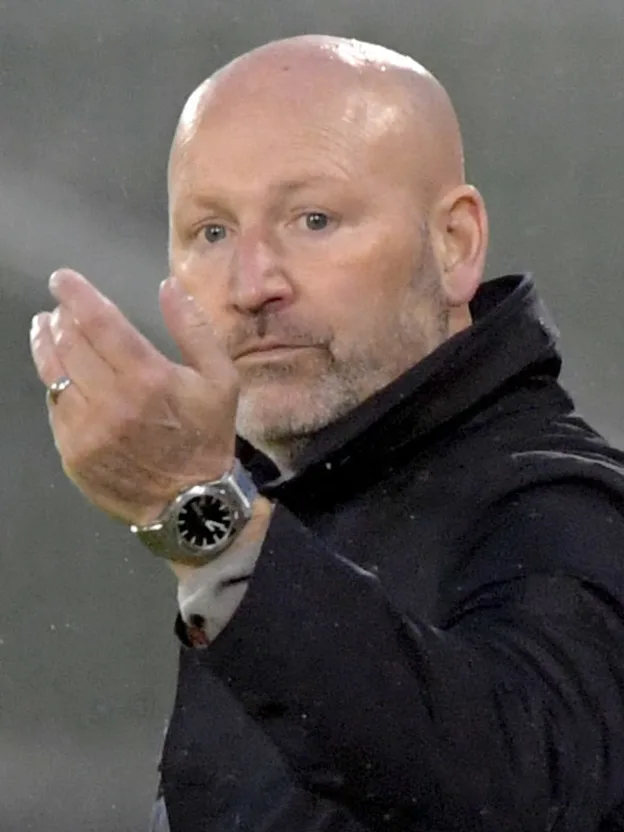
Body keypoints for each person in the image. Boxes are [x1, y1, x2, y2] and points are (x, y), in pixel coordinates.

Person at [29, 34, 624, 832]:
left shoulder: (566, 512)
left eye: (313, 220)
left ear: (454, 244)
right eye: (211, 232)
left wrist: (205, 519)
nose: (252, 285)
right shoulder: (293, 501)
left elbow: (517, 798)